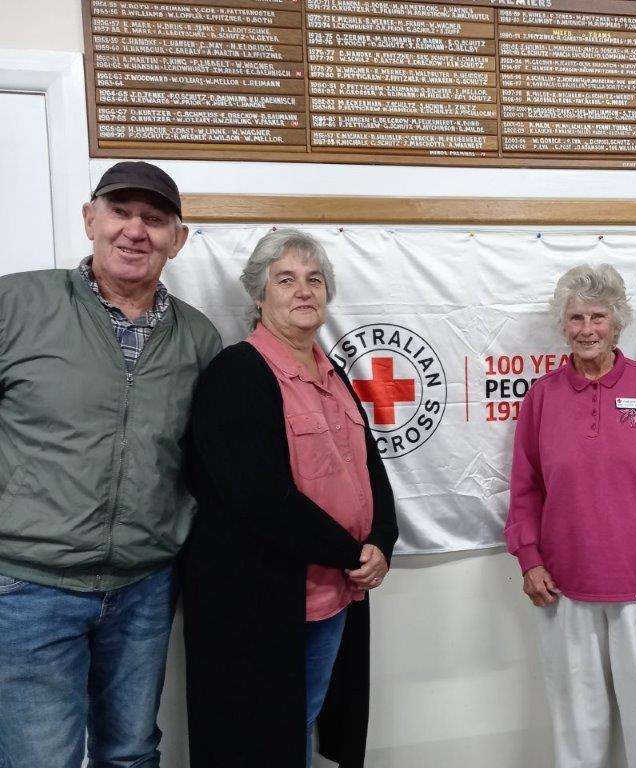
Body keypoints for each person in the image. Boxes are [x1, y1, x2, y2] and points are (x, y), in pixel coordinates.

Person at [0, 161, 221, 766]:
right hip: (28, 586)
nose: (135, 231)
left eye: (154, 219)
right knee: (40, 758)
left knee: (130, 753)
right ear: (89, 219)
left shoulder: (199, 338)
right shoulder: (16, 303)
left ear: (177, 239)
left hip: (144, 587)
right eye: (120, 212)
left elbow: (203, 462)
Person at [181, 228, 398, 768]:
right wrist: (352, 553)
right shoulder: (238, 374)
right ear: (258, 295)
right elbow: (257, 497)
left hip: (332, 596)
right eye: (286, 280)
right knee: (261, 735)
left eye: (315, 279)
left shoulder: (332, 373)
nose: (304, 291)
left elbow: (369, 467)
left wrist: (381, 541)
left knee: (301, 721)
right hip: (264, 599)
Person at [505, 264, 636, 768]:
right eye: (576, 318)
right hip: (566, 586)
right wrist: (529, 559)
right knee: (578, 725)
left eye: (598, 317)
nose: (587, 329)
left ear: (618, 324)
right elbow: (526, 488)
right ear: (562, 325)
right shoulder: (543, 396)